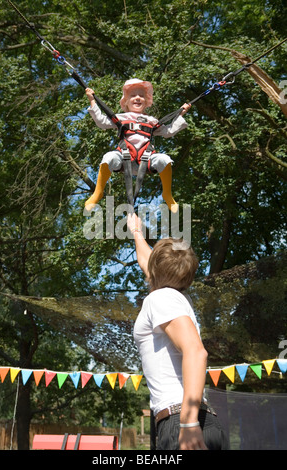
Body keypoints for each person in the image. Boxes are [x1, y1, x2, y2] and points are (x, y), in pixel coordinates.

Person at [127, 213, 228, 450]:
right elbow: (148, 262)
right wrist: (136, 231)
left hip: (182, 423)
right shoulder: (174, 296)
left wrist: (188, 424)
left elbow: (196, 352)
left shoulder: (161, 299)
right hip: (193, 421)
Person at [84, 79, 191, 213]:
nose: (137, 98)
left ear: (146, 101)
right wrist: (92, 100)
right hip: (124, 157)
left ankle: (167, 194)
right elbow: (101, 122)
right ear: (126, 102)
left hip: (146, 159)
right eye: (133, 96)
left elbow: (168, 132)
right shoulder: (121, 117)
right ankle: (97, 193)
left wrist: (180, 114)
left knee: (164, 159)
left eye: (141, 96)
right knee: (109, 157)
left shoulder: (151, 121)